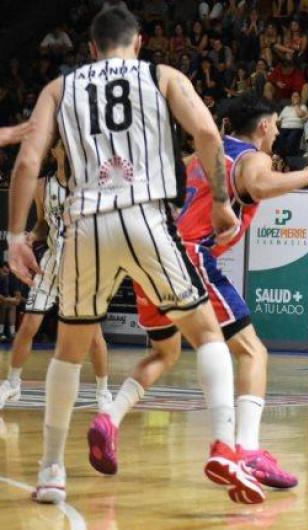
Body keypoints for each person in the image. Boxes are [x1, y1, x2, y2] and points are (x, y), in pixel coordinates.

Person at [8, 5, 261, 505]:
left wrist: (15, 236)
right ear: (139, 42)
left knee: (69, 350)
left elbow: (27, 160)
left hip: (86, 223)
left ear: (93, 48)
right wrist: (219, 201)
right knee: (207, 333)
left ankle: (51, 470)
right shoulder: (162, 75)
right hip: (146, 216)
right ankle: (225, 446)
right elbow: (208, 135)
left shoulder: (59, 88)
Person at [95, 94, 308, 487]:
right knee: (252, 351)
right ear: (265, 126)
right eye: (274, 127)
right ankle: (247, 450)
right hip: (189, 258)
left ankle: (108, 420)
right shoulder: (252, 157)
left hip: (150, 257)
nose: (275, 136)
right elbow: (260, 184)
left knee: (164, 351)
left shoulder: (198, 157)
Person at [0, 142, 111, 411]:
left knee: (94, 335)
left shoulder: (89, 184)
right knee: (28, 325)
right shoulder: (42, 186)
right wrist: (32, 235)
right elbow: (42, 223)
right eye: (65, 145)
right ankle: (12, 383)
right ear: (55, 152)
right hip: (50, 262)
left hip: (81, 265)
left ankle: (103, 391)